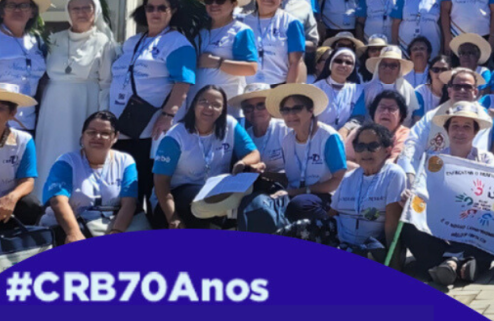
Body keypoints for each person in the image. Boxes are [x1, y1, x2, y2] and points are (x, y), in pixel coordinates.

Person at [108, 0, 197, 207]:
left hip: (151, 128)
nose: (155, 13)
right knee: (125, 184)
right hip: (124, 125)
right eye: (150, 8)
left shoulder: (178, 43)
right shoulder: (132, 42)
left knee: (145, 183)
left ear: (173, 11)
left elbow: (183, 83)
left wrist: (168, 115)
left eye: (161, 8)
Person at [401, 101, 494, 286]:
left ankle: (447, 264)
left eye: (466, 127)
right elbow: (424, 193)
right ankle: (461, 265)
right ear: (447, 130)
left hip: (472, 227)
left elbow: (492, 195)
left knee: (486, 221)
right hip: (441, 227)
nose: (460, 132)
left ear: (475, 132)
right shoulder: (434, 161)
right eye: (455, 126)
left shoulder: (486, 159)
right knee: (409, 225)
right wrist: (411, 199)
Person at [151, 85, 261, 229]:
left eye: (216, 105)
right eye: (204, 102)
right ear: (194, 104)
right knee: (199, 202)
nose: (209, 108)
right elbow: (161, 183)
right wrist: (173, 217)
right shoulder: (175, 136)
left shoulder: (230, 125)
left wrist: (242, 162)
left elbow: (254, 154)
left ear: (223, 110)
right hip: (174, 199)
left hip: (216, 194)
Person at [37, 0, 118, 183]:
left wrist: (102, 115)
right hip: (53, 105)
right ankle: (46, 197)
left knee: (77, 148)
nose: (81, 12)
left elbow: (106, 82)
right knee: (50, 149)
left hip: (84, 103)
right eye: (75, 8)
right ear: (68, 12)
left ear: (95, 11)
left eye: (86, 8)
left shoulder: (104, 42)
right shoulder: (53, 40)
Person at [41, 111, 146, 243]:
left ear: (115, 137)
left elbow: (129, 202)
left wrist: (116, 232)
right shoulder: (66, 161)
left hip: (111, 226)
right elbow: (58, 201)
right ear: (82, 135)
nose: (97, 136)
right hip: (69, 227)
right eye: (91, 132)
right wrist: (73, 234)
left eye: (105, 133)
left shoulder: (125, 161)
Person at [250, 84, 348, 223]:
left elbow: (337, 181)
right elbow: (292, 178)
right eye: (285, 110)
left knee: (300, 205)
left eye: (297, 108)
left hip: (323, 197)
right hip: (294, 194)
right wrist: (264, 175)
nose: (290, 115)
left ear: (310, 110)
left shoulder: (329, 137)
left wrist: (295, 192)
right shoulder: (287, 140)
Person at [329, 121, 406, 259]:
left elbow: (392, 226)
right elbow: (331, 214)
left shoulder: (393, 175)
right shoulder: (348, 178)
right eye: (360, 147)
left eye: (373, 146)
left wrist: (394, 265)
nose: (365, 152)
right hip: (341, 242)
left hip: (369, 246)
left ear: (387, 150)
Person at [0, 0, 49, 132]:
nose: (17, 10)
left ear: (32, 13)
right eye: (11, 5)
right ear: (1, 12)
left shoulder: (37, 42)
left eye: (24, 6)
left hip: (28, 121)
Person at [192, 0, 259, 102]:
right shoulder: (199, 31)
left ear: (234, 4)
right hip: (196, 102)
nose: (214, 4)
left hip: (227, 103)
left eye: (220, 0)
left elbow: (251, 68)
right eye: (209, 0)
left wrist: (217, 63)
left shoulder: (241, 31)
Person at [0, 84, 41, 226]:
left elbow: (28, 180)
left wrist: (11, 198)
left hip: (6, 207)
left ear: (12, 113)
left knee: (31, 204)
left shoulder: (24, 140)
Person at [242, 0, 309, 86]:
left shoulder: (291, 23)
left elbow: (295, 62)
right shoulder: (243, 21)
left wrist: (287, 91)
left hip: (277, 85)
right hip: (246, 86)